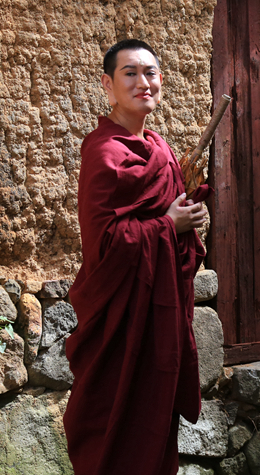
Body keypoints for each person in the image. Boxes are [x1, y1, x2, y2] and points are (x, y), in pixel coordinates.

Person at [63, 39, 209, 475]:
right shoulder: (105, 151)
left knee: (154, 419)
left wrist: (189, 214)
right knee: (114, 419)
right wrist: (168, 226)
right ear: (108, 85)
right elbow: (104, 243)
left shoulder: (161, 150)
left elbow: (167, 218)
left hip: (156, 313)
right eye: (130, 73)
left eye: (151, 73)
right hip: (120, 318)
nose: (144, 82)